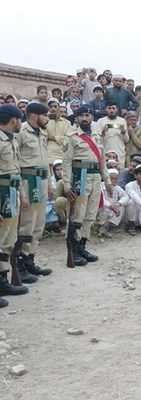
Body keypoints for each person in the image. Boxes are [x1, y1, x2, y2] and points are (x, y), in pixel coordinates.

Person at [63, 106, 110, 266]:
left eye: (88, 115)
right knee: (78, 214)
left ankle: (82, 245)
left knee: (90, 214)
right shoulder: (72, 136)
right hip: (80, 176)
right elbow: (67, 162)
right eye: (82, 115)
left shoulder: (96, 136)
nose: (85, 118)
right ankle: (73, 249)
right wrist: (67, 184)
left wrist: (107, 180)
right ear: (76, 118)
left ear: (92, 117)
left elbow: (102, 160)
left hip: (96, 176)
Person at [15, 102, 53, 281]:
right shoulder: (21, 132)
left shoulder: (42, 133)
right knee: (27, 223)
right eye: (45, 115)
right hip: (28, 180)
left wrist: (50, 184)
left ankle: (30, 258)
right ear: (34, 115)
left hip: (42, 180)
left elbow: (45, 161)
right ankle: (19, 263)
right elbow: (15, 161)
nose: (47, 118)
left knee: (39, 223)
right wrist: (20, 190)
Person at [0, 105, 30, 307]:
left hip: (11, 191)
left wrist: (22, 194)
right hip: (1, 192)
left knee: (8, 239)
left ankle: (3, 278)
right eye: (20, 119)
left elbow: (15, 170)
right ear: (13, 120)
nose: (21, 123)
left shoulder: (11, 139)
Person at [99, 168, 129, 237]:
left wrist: (118, 203)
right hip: (102, 209)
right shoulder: (100, 186)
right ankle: (101, 227)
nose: (114, 180)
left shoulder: (117, 187)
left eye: (116, 179)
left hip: (113, 209)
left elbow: (126, 197)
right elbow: (101, 200)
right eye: (112, 178)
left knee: (122, 206)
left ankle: (107, 227)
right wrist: (110, 206)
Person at [45, 98, 71, 166]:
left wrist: (53, 137)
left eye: (55, 106)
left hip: (62, 155)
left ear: (59, 108)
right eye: (50, 107)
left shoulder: (67, 123)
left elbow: (68, 139)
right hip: (48, 155)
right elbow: (43, 137)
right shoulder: (44, 121)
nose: (53, 109)